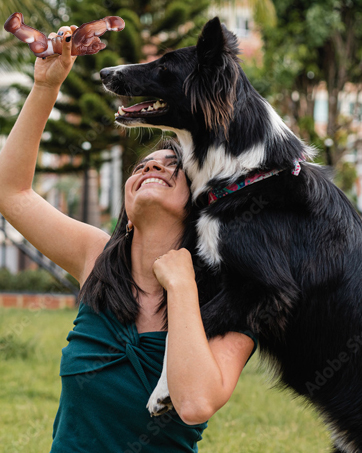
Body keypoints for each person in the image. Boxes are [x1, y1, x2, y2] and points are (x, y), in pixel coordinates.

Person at [0, 26, 257, 452]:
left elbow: (194, 403)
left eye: (171, 164)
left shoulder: (231, 303)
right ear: (128, 208)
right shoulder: (94, 257)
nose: (151, 166)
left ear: (198, 203)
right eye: (143, 165)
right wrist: (46, 85)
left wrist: (180, 285)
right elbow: (11, 192)